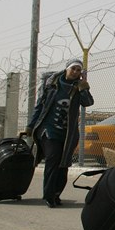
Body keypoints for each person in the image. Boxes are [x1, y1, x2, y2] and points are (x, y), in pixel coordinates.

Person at [25, 59, 94, 208]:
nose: (75, 72)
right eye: (73, 69)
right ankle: (48, 195)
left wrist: (84, 88)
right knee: (53, 159)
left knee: (64, 164)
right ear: (67, 69)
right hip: (48, 131)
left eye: (78, 70)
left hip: (68, 134)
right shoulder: (51, 84)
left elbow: (88, 102)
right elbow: (39, 106)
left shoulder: (78, 87)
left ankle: (56, 194)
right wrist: (30, 127)